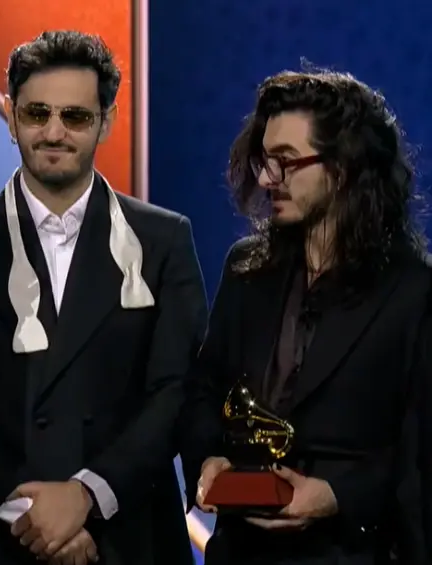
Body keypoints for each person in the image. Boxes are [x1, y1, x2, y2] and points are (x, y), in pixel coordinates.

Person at [0, 30, 208, 565]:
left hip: (129, 540)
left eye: (75, 117)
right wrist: (34, 517)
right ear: (10, 118)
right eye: (36, 114)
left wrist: (85, 495)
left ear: (107, 120)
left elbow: (178, 392)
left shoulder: (163, 240)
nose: (54, 132)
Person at [182, 67, 431, 564]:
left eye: (286, 162)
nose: (267, 178)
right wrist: (208, 459)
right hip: (241, 552)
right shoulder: (246, 270)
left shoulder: (413, 292)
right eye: (264, 159)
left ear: (342, 168)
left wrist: (337, 495)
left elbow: (419, 455)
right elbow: (203, 391)